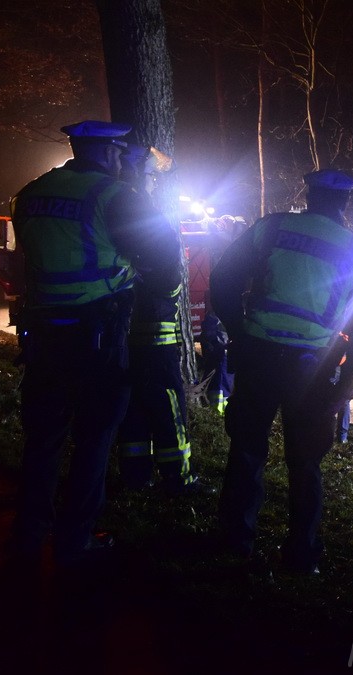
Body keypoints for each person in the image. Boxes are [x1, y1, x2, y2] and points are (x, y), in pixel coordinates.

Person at [4, 121, 182, 569]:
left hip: (44, 333)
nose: (123, 160)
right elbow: (164, 263)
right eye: (120, 153)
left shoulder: (31, 193)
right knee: (94, 437)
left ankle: (29, 533)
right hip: (96, 336)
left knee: (43, 437)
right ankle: (75, 539)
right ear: (107, 153)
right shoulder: (115, 197)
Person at [210, 168, 353, 573]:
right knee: (305, 463)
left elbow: (222, 279)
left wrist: (239, 330)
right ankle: (302, 555)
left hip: (258, 355)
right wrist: (347, 388)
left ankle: (234, 540)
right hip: (311, 367)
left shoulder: (271, 228)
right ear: (344, 203)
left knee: (247, 451)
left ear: (308, 194)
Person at [114, 144, 199, 494]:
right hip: (156, 336)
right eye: (150, 175)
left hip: (120, 334)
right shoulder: (144, 215)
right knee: (167, 405)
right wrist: (165, 293)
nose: (152, 182)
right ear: (141, 176)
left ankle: (135, 475)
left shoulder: (109, 210)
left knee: (131, 405)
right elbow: (168, 273)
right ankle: (178, 478)